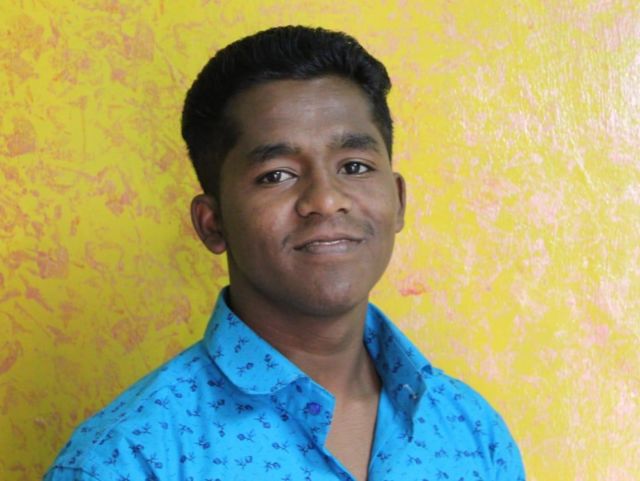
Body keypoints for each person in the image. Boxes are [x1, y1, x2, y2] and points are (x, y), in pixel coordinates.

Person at [44, 26, 525, 481]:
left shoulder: (472, 430)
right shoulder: (129, 458)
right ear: (213, 223)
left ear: (398, 201)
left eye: (355, 166)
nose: (325, 199)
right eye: (276, 175)